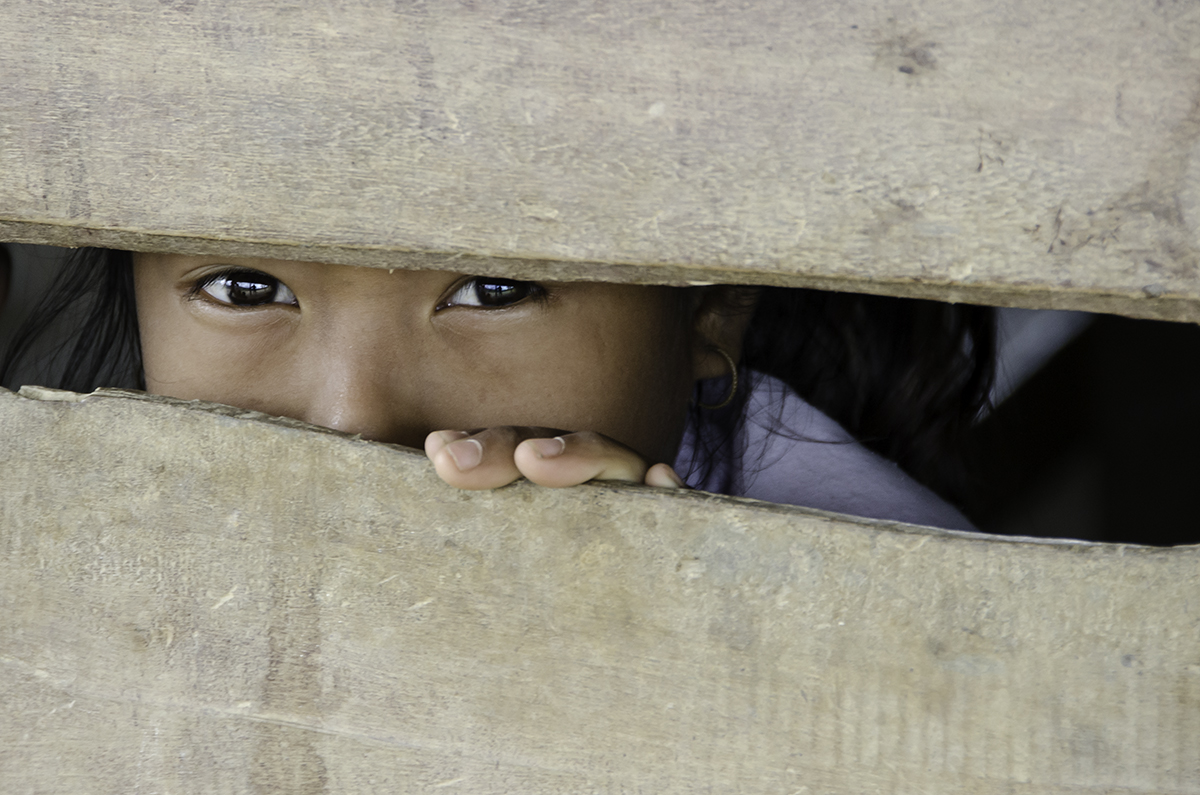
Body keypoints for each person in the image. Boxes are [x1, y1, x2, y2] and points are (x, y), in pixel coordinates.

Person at [1, 247, 993, 530]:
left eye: (493, 291)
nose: (355, 420)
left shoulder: (890, 588)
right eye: (247, 289)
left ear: (713, 307)